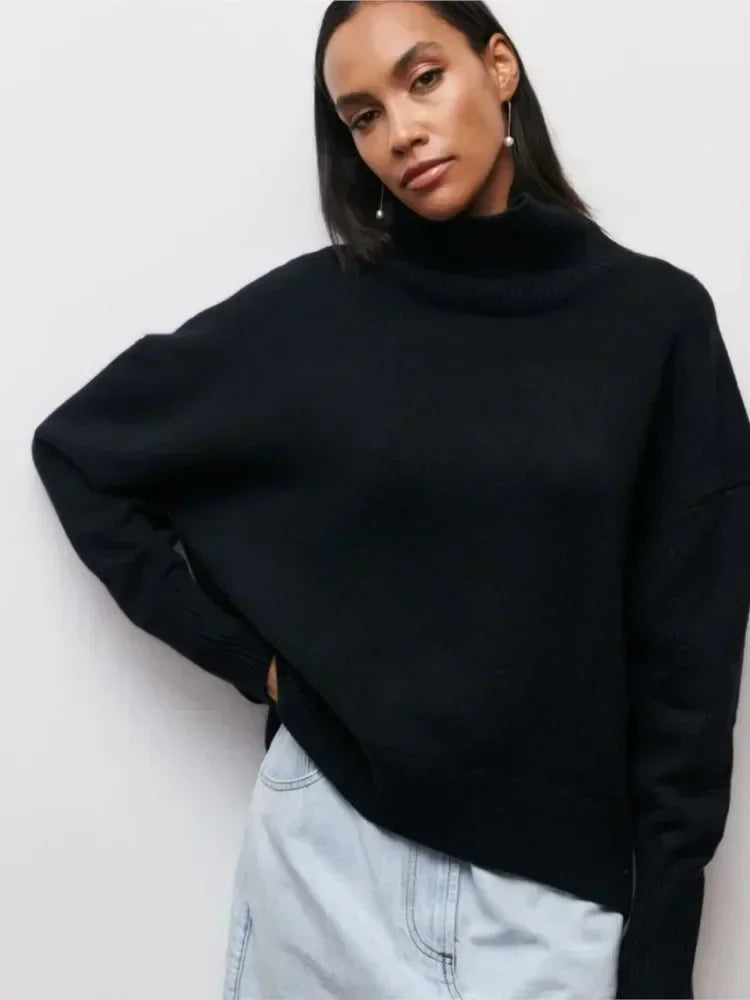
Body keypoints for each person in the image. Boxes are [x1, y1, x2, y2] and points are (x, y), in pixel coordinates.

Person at [30, 2, 750, 998]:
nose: (400, 131)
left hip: (549, 896)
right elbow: (84, 451)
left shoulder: (654, 323)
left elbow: (690, 660)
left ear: (499, 66)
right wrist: (253, 664)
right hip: (328, 859)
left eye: (423, 79)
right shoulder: (315, 312)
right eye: (362, 115)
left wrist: (663, 943)